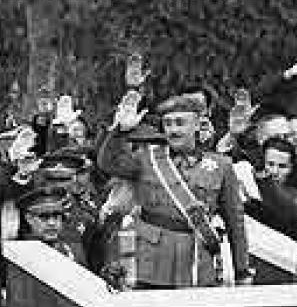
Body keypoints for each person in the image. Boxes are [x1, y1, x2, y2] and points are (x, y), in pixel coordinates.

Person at [98, 89, 251, 288]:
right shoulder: (147, 158)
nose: (173, 130)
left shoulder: (221, 166)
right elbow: (108, 163)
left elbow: (235, 223)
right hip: (151, 261)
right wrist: (120, 132)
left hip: (196, 260)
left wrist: (242, 271)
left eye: (180, 123)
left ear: (197, 125)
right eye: (168, 123)